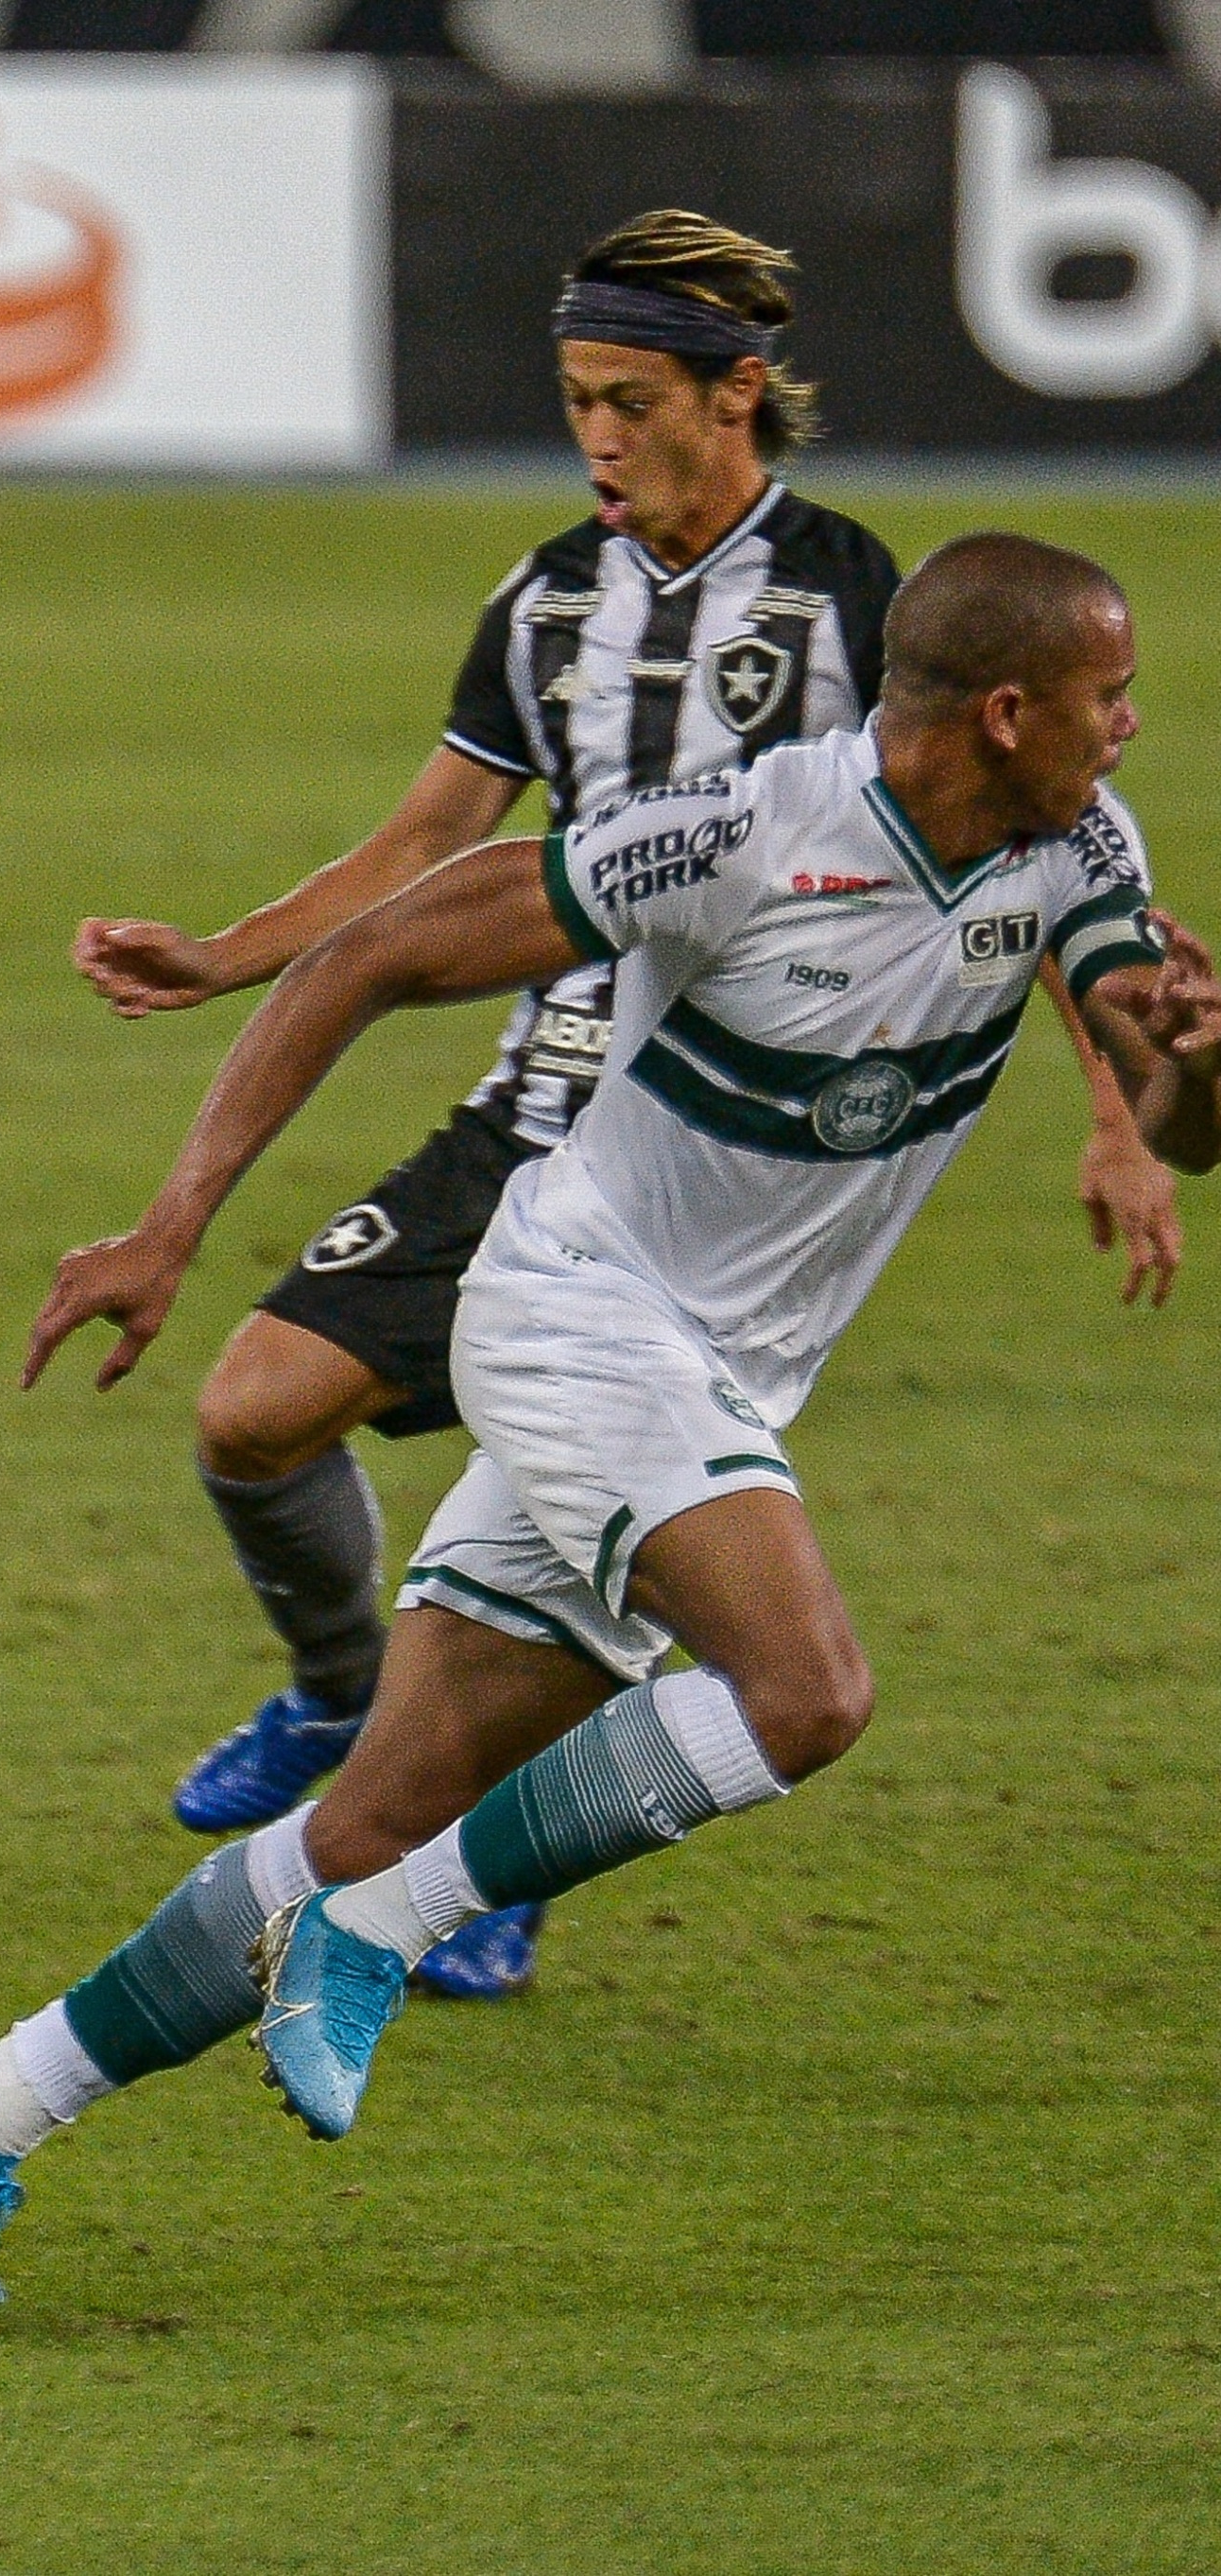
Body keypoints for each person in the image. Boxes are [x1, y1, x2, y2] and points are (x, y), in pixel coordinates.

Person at [0, 529, 1217, 2310]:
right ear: (1004, 708)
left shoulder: (1073, 852)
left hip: (717, 1376)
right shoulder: (737, 834)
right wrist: (172, 1220)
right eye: (1107, 695)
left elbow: (1178, 1108)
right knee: (803, 1694)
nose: (1130, 726)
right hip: (575, 1313)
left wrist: (1190, 1063)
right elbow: (370, 957)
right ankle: (394, 1927)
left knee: (362, 1816)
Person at [71, 212, 1178, 2001]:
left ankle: (466, 1857)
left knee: (619, 1551)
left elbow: (1002, 857)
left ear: (732, 397)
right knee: (253, 1419)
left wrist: (1116, 1113)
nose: (591, 436)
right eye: (575, 400)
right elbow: (426, 854)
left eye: (623, 401)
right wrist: (226, 957)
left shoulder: (859, 605)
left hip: (705, 1134)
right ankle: (353, 1708)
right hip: (532, 1101)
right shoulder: (547, 599)